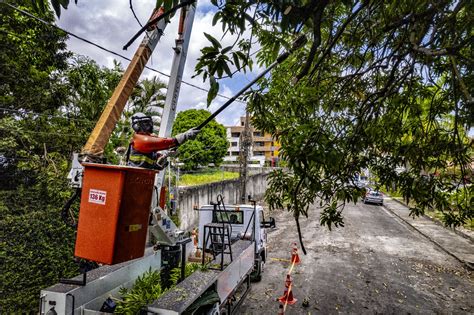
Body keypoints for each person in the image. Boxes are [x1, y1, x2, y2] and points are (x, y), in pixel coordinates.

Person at [126, 112, 199, 169]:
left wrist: (165, 155)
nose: (148, 125)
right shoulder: (139, 139)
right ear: (136, 126)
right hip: (133, 177)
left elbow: (155, 164)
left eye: (148, 123)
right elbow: (164, 143)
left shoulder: (148, 140)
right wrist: (185, 136)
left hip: (144, 178)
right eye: (145, 123)